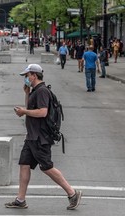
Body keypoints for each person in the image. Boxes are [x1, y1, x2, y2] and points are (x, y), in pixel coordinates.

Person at [5, 64, 82, 210]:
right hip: (32, 136)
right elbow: (30, 108)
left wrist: (24, 112)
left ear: (34, 75)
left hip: (40, 137)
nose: (26, 79)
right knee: (24, 164)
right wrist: (27, 93)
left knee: (47, 167)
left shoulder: (42, 91)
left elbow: (42, 112)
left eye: (27, 76)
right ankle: (20, 200)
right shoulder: (35, 91)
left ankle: (72, 194)